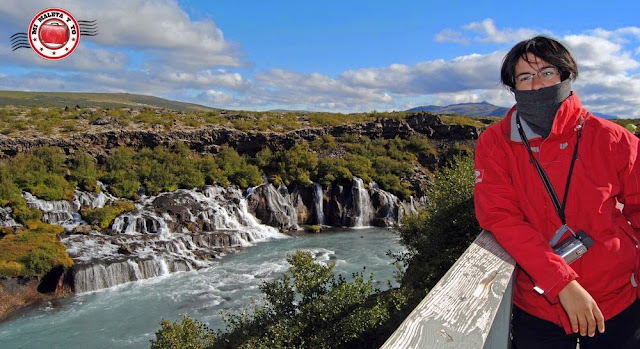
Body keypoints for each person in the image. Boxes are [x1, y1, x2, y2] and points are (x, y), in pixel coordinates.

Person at [474, 35, 640, 348]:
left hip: (616, 298)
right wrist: (561, 282)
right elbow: (499, 217)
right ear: (513, 86)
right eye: (525, 76)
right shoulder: (495, 144)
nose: (537, 84)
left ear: (565, 75)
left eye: (547, 72)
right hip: (540, 304)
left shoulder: (612, 138)